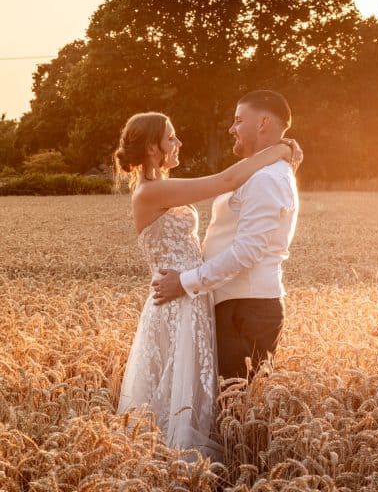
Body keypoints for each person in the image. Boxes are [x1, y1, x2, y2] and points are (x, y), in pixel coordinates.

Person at [114, 110, 301, 461]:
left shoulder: (161, 186)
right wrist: (278, 151)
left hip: (191, 294)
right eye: (171, 137)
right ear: (153, 149)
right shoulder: (152, 191)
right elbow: (226, 180)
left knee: (193, 386)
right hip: (176, 299)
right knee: (176, 385)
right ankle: (175, 462)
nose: (178, 142)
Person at [152, 90, 300, 385]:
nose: (232, 129)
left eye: (238, 120)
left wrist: (184, 282)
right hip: (235, 305)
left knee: (236, 406)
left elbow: (247, 252)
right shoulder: (259, 173)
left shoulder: (267, 179)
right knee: (227, 404)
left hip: (247, 310)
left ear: (263, 123)